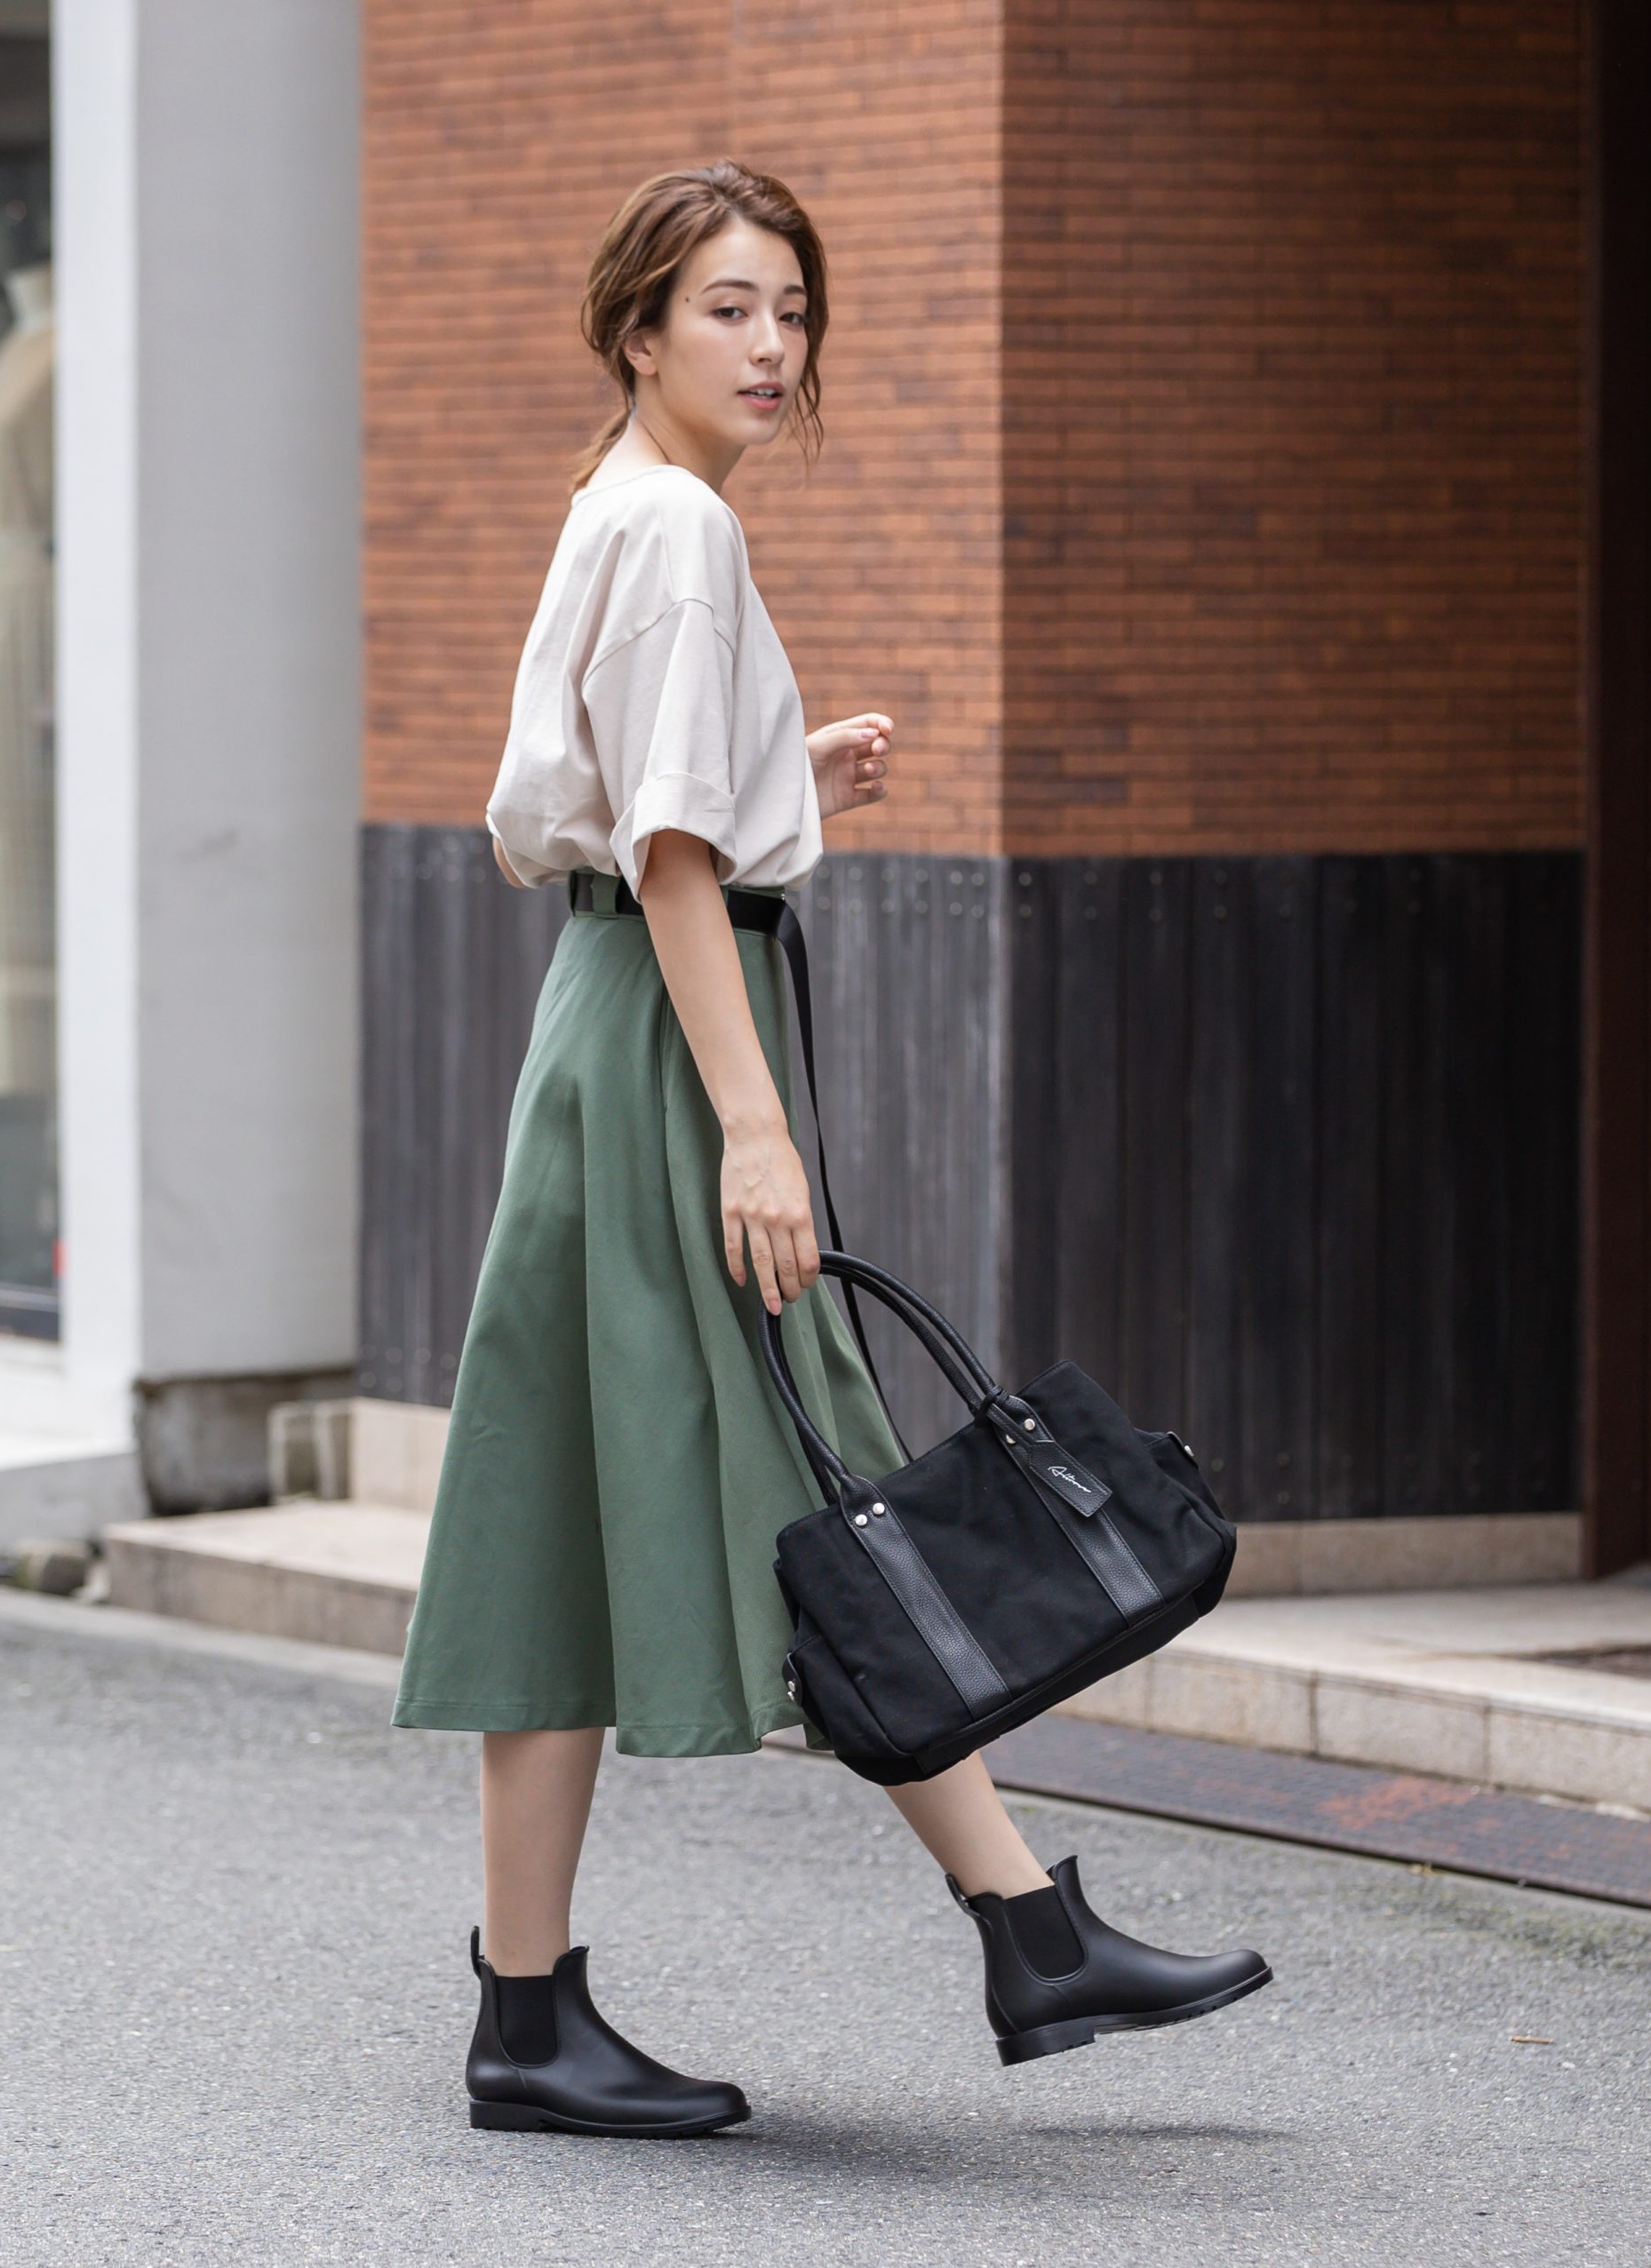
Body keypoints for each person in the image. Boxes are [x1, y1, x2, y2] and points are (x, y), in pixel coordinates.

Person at [390, 159, 1270, 2137]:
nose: (773, 345)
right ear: (637, 328)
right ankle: (1024, 1922)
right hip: (674, 1046)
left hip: (606, 1028)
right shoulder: (682, 528)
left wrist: (796, 784)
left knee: (574, 1486)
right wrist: (760, 1128)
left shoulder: (620, 505)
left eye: (793, 308)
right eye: (728, 307)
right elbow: (674, 849)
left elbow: (643, 813)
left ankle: (535, 2010)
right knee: (830, 1467)